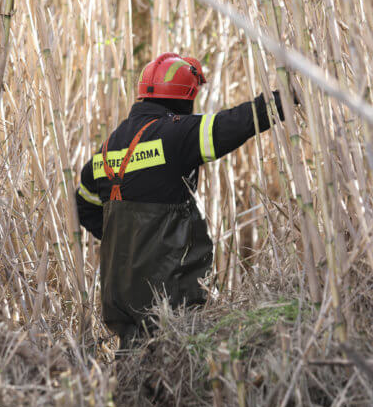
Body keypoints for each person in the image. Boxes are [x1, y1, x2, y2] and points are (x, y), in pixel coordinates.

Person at [76, 52, 293, 350]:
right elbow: (234, 124)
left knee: (132, 368)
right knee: (172, 369)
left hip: (121, 296)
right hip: (169, 295)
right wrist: (284, 99)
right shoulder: (175, 134)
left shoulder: (106, 149)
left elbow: (84, 206)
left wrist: (127, 238)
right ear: (184, 98)